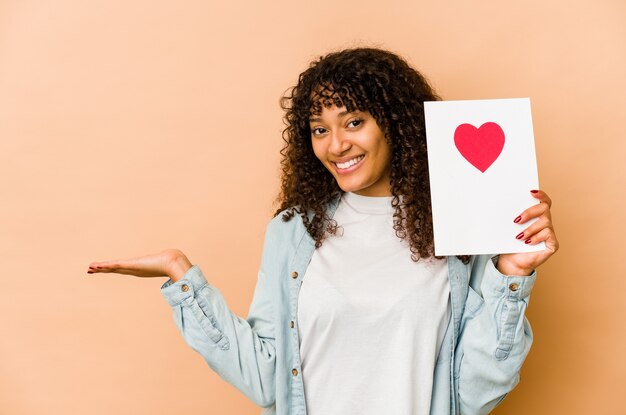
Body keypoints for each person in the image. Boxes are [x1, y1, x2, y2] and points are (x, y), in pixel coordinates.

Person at [87, 47, 559, 415]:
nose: (336, 145)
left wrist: (510, 274)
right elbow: (265, 377)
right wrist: (183, 278)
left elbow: (473, 392)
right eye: (318, 129)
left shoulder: (459, 225)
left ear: (395, 124)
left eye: (354, 122)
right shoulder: (294, 231)